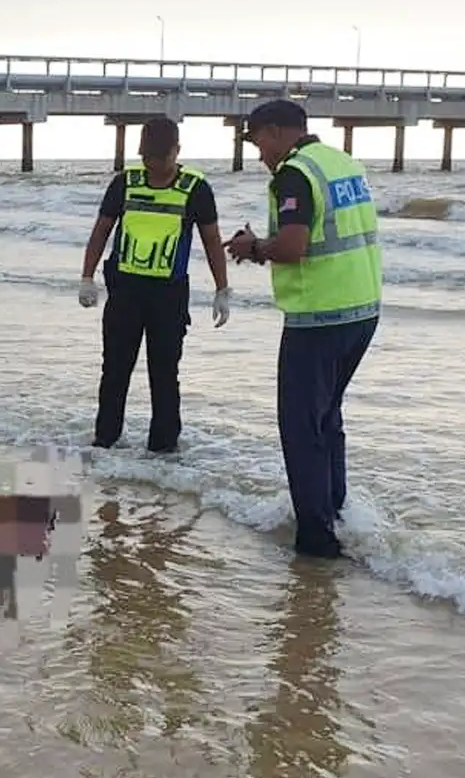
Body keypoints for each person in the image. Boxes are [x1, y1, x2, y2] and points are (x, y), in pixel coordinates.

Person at [225, 99, 382, 559]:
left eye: (257, 142)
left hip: (319, 314)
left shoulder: (294, 173)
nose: (258, 154)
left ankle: (316, 540)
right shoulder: (342, 163)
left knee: (301, 428)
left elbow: (294, 246)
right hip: (362, 309)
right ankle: (335, 511)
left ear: (275, 132)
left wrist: (254, 247)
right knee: (327, 418)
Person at [78, 116, 232, 452]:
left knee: (164, 373)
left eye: (161, 158)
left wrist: (222, 290)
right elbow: (101, 230)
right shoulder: (125, 183)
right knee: (115, 369)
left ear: (176, 151)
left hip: (169, 295)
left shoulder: (195, 188)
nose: (155, 165)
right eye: (148, 158)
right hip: (125, 292)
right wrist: (87, 277)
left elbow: (211, 240)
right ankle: (105, 440)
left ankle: (163, 448)